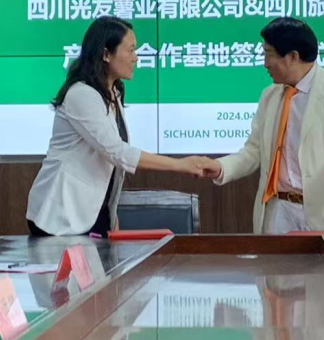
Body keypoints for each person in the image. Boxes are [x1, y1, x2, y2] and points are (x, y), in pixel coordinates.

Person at [27, 16, 207, 237]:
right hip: (61, 214)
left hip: (92, 213)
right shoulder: (81, 95)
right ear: (106, 54)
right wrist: (180, 165)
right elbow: (117, 152)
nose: (136, 58)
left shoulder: (114, 92)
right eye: (130, 50)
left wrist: (111, 215)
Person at [197, 17, 324, 235]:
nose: (265, 63)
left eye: (269, 54)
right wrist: (221, 167)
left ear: (293, 57)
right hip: (278, 211)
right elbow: (253, 151)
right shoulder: (269, 96)